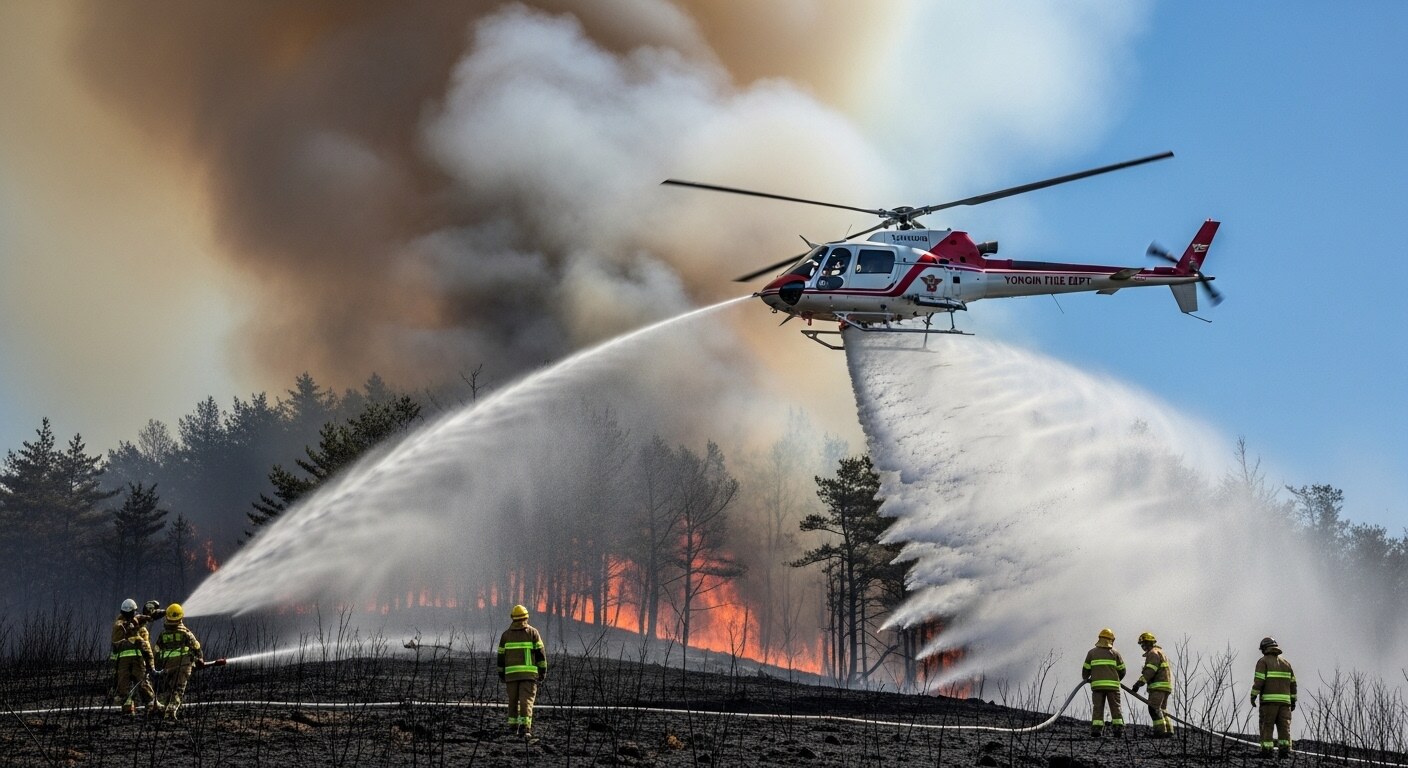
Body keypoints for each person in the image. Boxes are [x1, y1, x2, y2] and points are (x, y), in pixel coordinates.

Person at [497, 604, 547, 740]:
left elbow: (500, 656)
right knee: (526, 701)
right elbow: (540, 654)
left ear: (512, 618)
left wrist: (501, 673)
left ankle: (512, 727)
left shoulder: (505, 635)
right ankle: (525, 729)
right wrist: (542, 671)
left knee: (512, 701)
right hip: (528, 675)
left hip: (511, 675)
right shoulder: (533, 633)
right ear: (526, 617)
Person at [154, 602, 204, 720]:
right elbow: (196, 646)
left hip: (167, 666)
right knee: (178, 689)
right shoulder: (185, 633)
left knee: (169, 688)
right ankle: (171, 711)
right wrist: (200, 658)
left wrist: (157, 665)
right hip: (183, 666)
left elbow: (156, 650)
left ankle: (162, 709)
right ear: (181, 617)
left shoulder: (163, 635)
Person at [1250, 636, 1296, 759]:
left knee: (1267, 727)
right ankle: (1285, 752)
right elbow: (1293, 684)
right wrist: (1293, 700)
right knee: (1284, 729)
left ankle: (1267, 752)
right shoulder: (1287, 663)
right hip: (1285, 704)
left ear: (1264, 648)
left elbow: (1259, 681)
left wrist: (1253, 696)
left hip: (1269, 703)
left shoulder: (1263, 661)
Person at [111, 598, 159, 715]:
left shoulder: (119, 626)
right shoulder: (122, 626)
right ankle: (139, 706)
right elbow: (146, 649)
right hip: (134, 661)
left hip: (128, 662)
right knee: (139, 683)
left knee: (133, 684)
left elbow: (114, 648)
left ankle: (148, 705)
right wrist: (151, 665)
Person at [1081, 628, 1127, 737]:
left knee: (1098, 707)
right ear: (1111, 640)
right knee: (1115, 708)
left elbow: (1085, 670)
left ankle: (1096, 730)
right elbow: (1122, 670)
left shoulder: (1091, 653)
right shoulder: (1115, 653)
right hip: (1113, 687)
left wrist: (1087, 679)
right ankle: (1118, 730)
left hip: (1097, 686)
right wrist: (1116, 679)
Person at [1129, 631, 1174, 738]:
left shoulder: (1153, 654)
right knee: (1162, 709)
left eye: (1144, 644)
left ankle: (1160, 732)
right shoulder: (1160, 652)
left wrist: (1138, 684)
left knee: (1153, 708)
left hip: (1158, 686)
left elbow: (1150, 671)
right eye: (1141, 645)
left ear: (1149, 643)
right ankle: (1169, 730)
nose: (1143, 647)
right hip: (1165, 686)